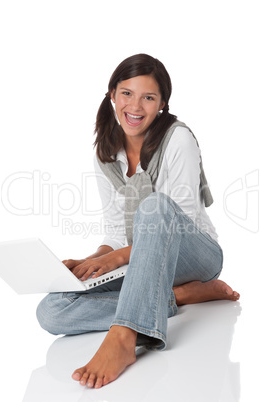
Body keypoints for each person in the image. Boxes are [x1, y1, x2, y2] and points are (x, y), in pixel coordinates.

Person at [36, 54, 240, 389]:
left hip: (195, 254)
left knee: (155, 206)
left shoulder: (178, 139)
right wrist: (93, 261)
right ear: (112, 95)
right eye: (127, 93)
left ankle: (124, 336)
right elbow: (116, 231)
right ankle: (179, 296)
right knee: (51, 311)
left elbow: (178, 219)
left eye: (149, 97)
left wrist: (114, 258)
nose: (136, 106)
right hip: (143, 261)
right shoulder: (106, 153)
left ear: (162, 104)